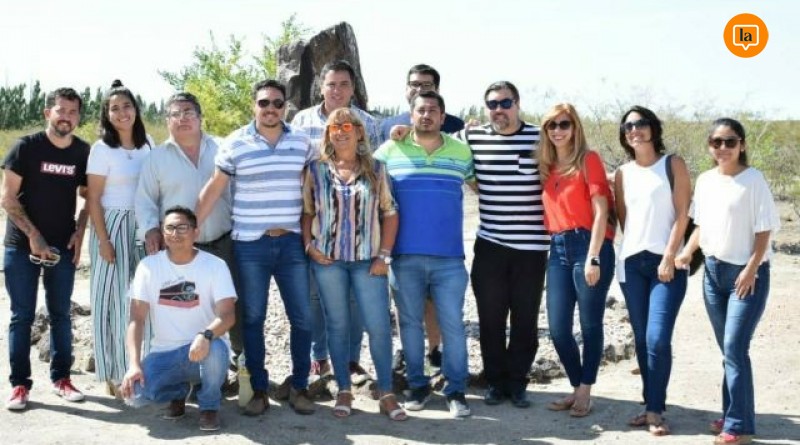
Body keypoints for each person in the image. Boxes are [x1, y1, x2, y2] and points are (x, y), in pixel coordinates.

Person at [196, 79, 316, 416]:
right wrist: (190, 228)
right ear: (254, 106)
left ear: (285, 107)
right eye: (264, 103)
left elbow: (318, 183)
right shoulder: (235, 143)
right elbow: (215, 187)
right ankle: (259, 389)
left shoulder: (302, 142)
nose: (271, 109)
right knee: (252, 318)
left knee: (302, 317)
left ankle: (300, 386)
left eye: (278, 103)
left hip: (292, 243)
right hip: (250, 245)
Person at [675, 118, 780, 445]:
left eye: (730, 141)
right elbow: (701, 225)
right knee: (729, 350)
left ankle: (738, 426)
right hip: (713, 274)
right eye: (716, 142)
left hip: (747, 275)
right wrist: (686, 253)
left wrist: (751, 269)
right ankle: (734, 412)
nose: (723, 148)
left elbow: (764, 229)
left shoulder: (753, 180)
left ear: (742, 145)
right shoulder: (706, 181)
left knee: (734, 347)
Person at [375, 90, 475, 418]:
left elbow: (483, 188)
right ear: (411, 115)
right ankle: (417, 385)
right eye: (421, 110)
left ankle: (456, 390)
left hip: (450, 259)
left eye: (433, 110)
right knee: (409, 324)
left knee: (453, 325)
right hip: (403, 257)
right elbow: (364, 184)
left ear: (443, 117)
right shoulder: (389, 150)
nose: (427, 115)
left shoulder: (462, 152)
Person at [301, 108, 405, 421]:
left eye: (348, 126)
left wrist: (384, 255)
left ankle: (386, 392)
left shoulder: (377, 168)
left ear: (359, 131)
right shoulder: (315, 169)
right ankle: (344, 389)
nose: (341, 132)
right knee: (337, 325)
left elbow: (390, 213)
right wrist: (309, 246)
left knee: (378, 326)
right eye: (335, 127)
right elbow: (307, 211)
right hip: (328, 261)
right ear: (328, 134)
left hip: (368, 262)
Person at [291, 59, 380, 382]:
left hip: (357, 228)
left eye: (344, 84)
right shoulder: (301, 121)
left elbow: (375, 171)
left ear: (353, 88)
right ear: (321, 87)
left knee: (353, 299)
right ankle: (320, 357)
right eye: (331, 84)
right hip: (316, 221)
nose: (337, 91)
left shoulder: (368, 123)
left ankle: (352, 359)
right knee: (315, 295)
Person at [135, 92, 242, 357]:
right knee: (187, 306)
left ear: (200, 117)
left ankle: (240, 361)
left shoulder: (223, 148)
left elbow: (238, 190)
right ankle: (190, 365)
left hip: (224, 240)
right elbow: (146, 200)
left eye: (188, 112)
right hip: (180, 249)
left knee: (233, 305)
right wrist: (151, 229)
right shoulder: (156, 158)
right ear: (167, 120)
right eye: (175, 114)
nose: (182, 118)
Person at [3, 87, 89, 410]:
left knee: (61, 315)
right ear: (47, 113)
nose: (66, 117)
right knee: (22, 316)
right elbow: (7, 198)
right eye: (60, 110)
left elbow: (90, 197)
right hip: (20, 246)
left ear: (78, 117)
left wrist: (80, 231)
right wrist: (33, 235)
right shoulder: (25, 147)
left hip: (62, 246)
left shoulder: (82, 152)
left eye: (72, 112)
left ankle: (62, 379)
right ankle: (19, 385)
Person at [464, 81, 549, 408]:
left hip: (532, 248)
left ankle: (517, 382)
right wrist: (400, 132)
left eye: (505, 103)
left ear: (517, 103)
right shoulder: (473, 137)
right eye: (492, 104)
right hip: (490, 245)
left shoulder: (541, 137)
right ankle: (495, 382)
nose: (499, 109)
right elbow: (435, 138)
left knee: (525, 319)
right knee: (490, 318)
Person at [120, 206, 236, 432]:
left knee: (216, 351)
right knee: (134, 395)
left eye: (182, 227)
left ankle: (209, 406)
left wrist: (206, 335)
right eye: (170, 228)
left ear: (195, 232)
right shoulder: (148, 266)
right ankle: (178, 392)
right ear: (162, 232)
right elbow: (136, 319)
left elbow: (228, 315)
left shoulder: (215, 265)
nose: (175, 233)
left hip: (205, 349)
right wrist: (133, 365)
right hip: (166, 352)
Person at [381, 63, 465, 371]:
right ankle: (408, 356)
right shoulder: (387, 126)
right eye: (414, 84)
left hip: (444, 244)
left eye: (426, 85)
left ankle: (435, 351)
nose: (419, 89)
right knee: (405, 308)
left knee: (438, 305)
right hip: (400, 239)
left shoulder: (456, 128)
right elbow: (376, 176)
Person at [614, 106, 691, 436]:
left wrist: (669, 255)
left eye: (641, 123)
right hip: (632, 264)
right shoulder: (622, 173)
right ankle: (651, 406)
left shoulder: (673, 164)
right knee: (643, 340)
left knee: (657, 339)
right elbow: (624, 218)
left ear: (653, 128)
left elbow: (683, 213)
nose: (635, 129)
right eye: (629, 126)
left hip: (666, 265)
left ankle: (656, 411)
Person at [538, 103, 615, 418]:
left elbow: (601, 210)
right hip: (557, 248)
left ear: (575, 128)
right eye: (551, 125)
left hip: (588, 245)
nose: (558, 130)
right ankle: (576, 385)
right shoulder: (546, 166)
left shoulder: (588, 160)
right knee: (557, 328)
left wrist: (593, 256)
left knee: (590, 323)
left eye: (564, 124)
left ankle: (585, 390)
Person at [87, 80, 153, 396]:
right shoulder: (102, 149)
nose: (122, 112)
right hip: (112, 225)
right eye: (114, 108)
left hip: (144, 223)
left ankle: (142, 368)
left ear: (135, 109)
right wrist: (103, 240)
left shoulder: (148, 143)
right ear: (107, 114)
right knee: (112, 300)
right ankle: (113, 374)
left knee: (143, 298)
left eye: (127, 106)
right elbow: (93, 198)